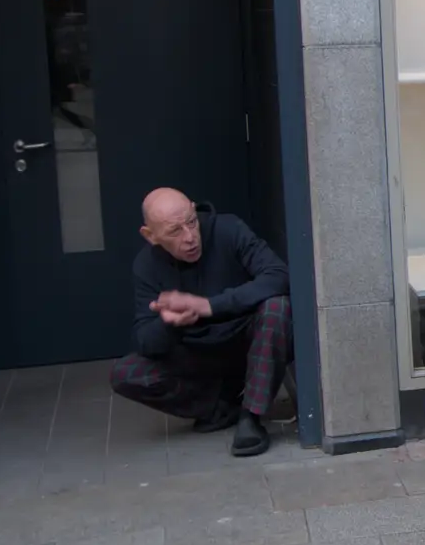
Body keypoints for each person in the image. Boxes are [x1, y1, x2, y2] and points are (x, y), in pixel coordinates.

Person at [110, 189, 291, 458]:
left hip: (247, 340)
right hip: (198, 354)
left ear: (195, 210)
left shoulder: (227, 229)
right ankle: (219, 408)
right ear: (151, 236)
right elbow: (146, 341)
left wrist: (209, 306)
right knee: (125, 373)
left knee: (277, 307)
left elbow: (278, 276)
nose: (190, 237)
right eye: (174, 231)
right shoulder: (146, 265)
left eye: (191, 222)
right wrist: (170, 323)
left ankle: (250, 417)